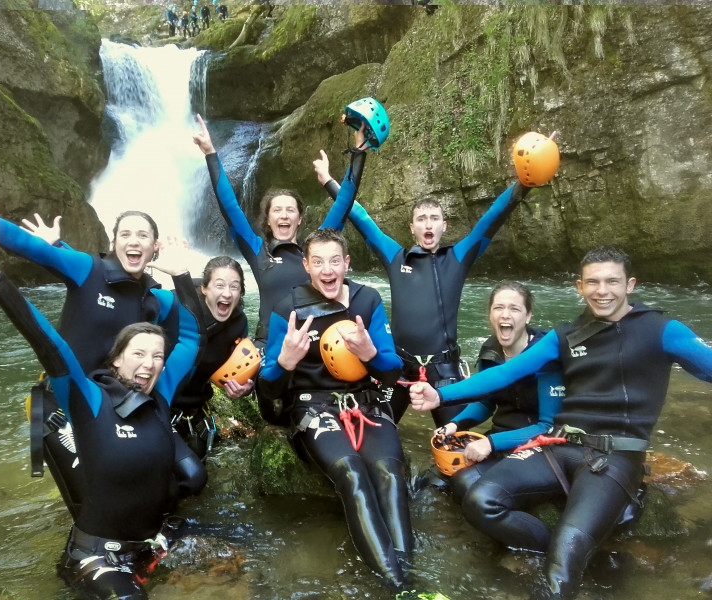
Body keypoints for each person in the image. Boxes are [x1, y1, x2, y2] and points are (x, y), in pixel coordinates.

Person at [409, 246, 712, 599]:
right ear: (579, 287)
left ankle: (567, 558)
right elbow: (507, 372)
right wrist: (442, 396)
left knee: (560, 572)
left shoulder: (662, 330)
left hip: (615, 456)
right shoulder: (566, 335)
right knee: (480, 500)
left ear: (630, 285)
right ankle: (558, 552)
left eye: (612, 281)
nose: (603, 291)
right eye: (593, 282)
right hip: (559, 445)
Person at [0, 159, 184, 520]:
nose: (133, 241)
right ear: (113, 241)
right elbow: (26, 245)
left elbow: (185, 341)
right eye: (125, 234)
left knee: (157, 488)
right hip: (65, 405)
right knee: (88, 500)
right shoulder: (86, 267)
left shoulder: (159, 300)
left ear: (155, 247)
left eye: (142, 236)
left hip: (119, 409)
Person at [0, 249, 207, 600]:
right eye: (138, 354)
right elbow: (48, 342)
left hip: (149, 546)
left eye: (157, 355)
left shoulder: (161, 394)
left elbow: (193, 336)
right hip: (97, 557)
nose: (150, 363)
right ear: (115, 361)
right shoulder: (88, 398)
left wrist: (184, 276)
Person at [314, 153, 531, 428]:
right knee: (375, 430)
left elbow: (491, 219)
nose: (428, 224)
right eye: (421, 219)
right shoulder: (396, 257)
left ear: (444, 226)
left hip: (444, 371)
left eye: (434, 218)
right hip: (399, 368)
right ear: (412, 228)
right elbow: (361, 218)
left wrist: (524, 184)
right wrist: (328, 181)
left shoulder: (458, 257)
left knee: (455, 442)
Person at [257, 228, 412, 588]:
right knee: (353, 473)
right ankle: (397, 586)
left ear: (346, 263)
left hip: (365, 404)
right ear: (307, 267)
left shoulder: (367, 300)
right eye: (318, 262)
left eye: (334, 261)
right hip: (313, 408)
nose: (327, 270)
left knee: (390, 474)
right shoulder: (288, 309)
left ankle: (409, 577)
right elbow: (267, 385)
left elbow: (391, 372)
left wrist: (369, 354)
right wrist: (285, 361)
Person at [192, 114, 367, 348]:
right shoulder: (257, 250)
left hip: (314, 346)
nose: (284, 215)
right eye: (277, 210)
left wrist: (359, 152)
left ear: (299, 218)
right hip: (269, 346)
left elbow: (344, 202)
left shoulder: (316, 251)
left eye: (290, 210)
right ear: (269, 219)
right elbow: (230, 206)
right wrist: (211, 154)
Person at [439, 281, 563, 502]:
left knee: (466, 482)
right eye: (499, 308)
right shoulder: (490, 351)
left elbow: (548, 427)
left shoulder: (545, 355)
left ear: (528, 316)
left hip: (539, 445)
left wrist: (491, 443)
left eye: (514, 308)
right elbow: (486, 402)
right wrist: (454, 425)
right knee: (438, 478)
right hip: (501, 436)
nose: (505, 315)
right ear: (490, 315)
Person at [171, 256, 254, 460]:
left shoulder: (239, 324)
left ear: (241, 292)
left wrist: (245, 388)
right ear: (204, 288)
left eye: (234, 287)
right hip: (158, 404)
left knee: (197, 472)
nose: (227, 293)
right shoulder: (175, 306)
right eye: (219, 285)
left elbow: (239, 369)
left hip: (194, 407)